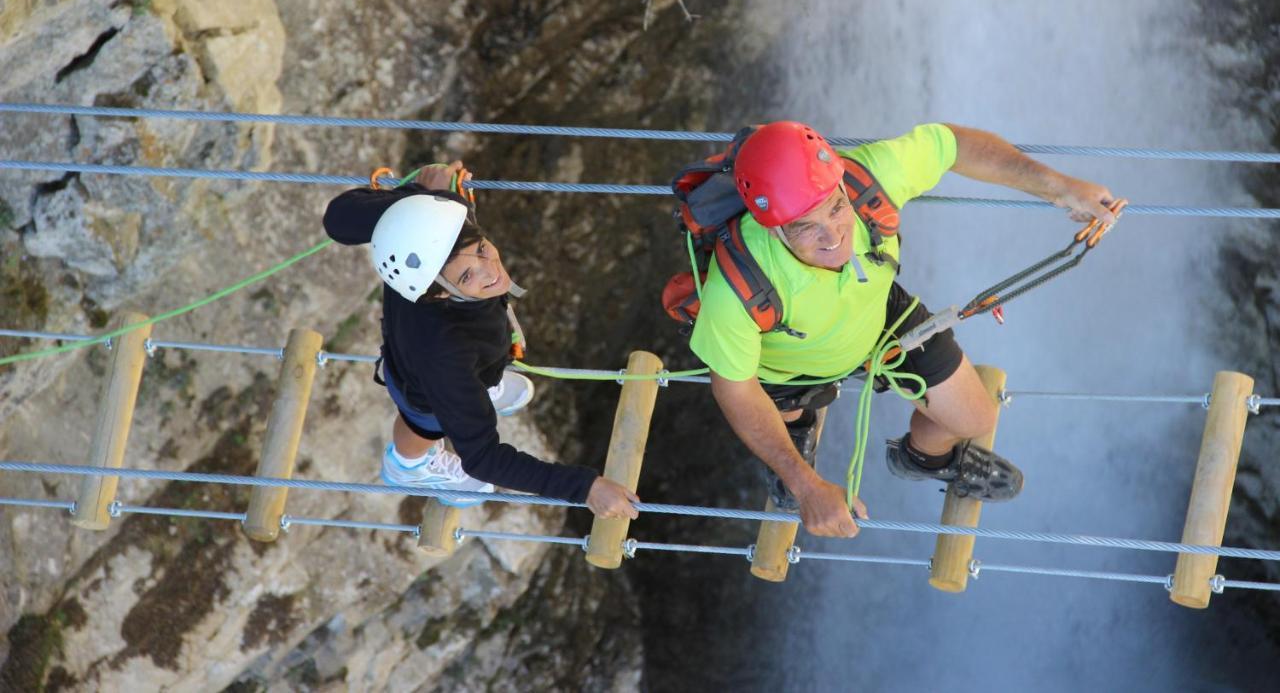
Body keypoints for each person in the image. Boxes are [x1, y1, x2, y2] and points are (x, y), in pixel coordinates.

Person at [687, 122, 1117, 538]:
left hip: (877, 317)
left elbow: (954, 144)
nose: (834, 235)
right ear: (773, 228)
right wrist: (806, 487)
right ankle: (795, 433)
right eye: (806, 228)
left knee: (976, 417)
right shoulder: (740, 287)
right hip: (786, 368)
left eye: (836, 209)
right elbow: (736, 390)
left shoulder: (869, 180)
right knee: (781, 420)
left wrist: (1060, 188)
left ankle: (923, 458)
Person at [323, 161, 639, 517]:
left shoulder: (435, 229)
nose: (492, 270)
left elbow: (338, 219)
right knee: (425, 422)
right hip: (426, 385)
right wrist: (586, 488)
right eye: (469, 273)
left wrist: (419, 197)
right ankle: (408, 465)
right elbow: (483, 458)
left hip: (459, 346)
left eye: (484, 249)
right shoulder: (446, 358)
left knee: (477, 359)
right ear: (439, 293)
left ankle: (485, 385)